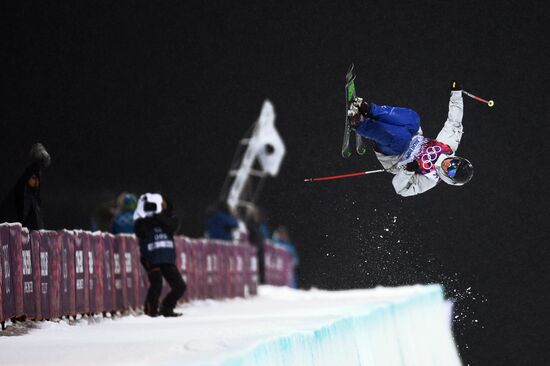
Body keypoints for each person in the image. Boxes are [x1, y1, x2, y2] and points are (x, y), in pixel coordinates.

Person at [347, 81, 473, 196]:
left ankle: (359, 123)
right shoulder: (448, 147)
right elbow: (454, 122)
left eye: (451, 171)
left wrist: (408, 171)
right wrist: (456, 94)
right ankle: (368, 109)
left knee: (401, 139)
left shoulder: (431, 179)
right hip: (412, 136)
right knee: (414, 119)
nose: (449, 165)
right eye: (455, 163)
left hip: (394, 156)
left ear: (449, 179)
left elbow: (401, 189)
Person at [134, 193, 186, 317]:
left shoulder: (170, 218)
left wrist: (159, 215)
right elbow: (139, 231)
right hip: (150, 257)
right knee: (156, 284)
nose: (158, 205)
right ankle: (150, 312)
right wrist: (142, 212)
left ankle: (167, 308)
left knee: (180, 286)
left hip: (166, 258)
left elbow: (173, 226)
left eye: (161, 203)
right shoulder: (143, 221)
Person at [0, 143, 51, 229]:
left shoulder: (34, 197)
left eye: (38, 179)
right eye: (34, 178)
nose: (37, 182)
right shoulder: (21, 192)